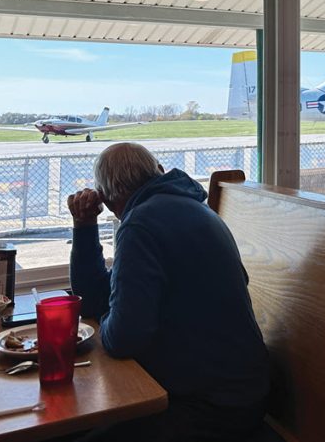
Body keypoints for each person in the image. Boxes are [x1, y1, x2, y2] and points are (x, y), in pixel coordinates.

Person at [68, 143, 269, 441]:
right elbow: (93, 301)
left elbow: (124, 338)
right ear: (158, 172)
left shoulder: (140, 225)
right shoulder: (193, 208)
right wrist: (85, 227)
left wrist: (108, 318)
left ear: (108, 200)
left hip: (212, 407)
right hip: (243, 390)